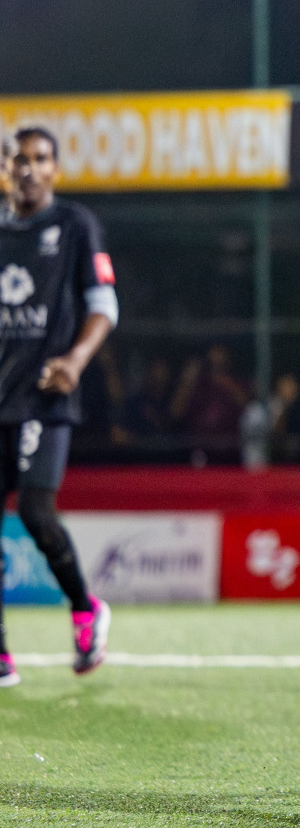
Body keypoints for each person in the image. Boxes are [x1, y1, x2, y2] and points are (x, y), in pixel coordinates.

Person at [0, 128, 119, 687]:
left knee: (34, 513)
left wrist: (74, 360)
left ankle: (84, 607)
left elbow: (103, 306)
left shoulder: (74, 225)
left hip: (44, 396)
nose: (29, 168)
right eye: (19, 159)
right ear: (7, 166)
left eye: (40, 159)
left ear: (54, 168)